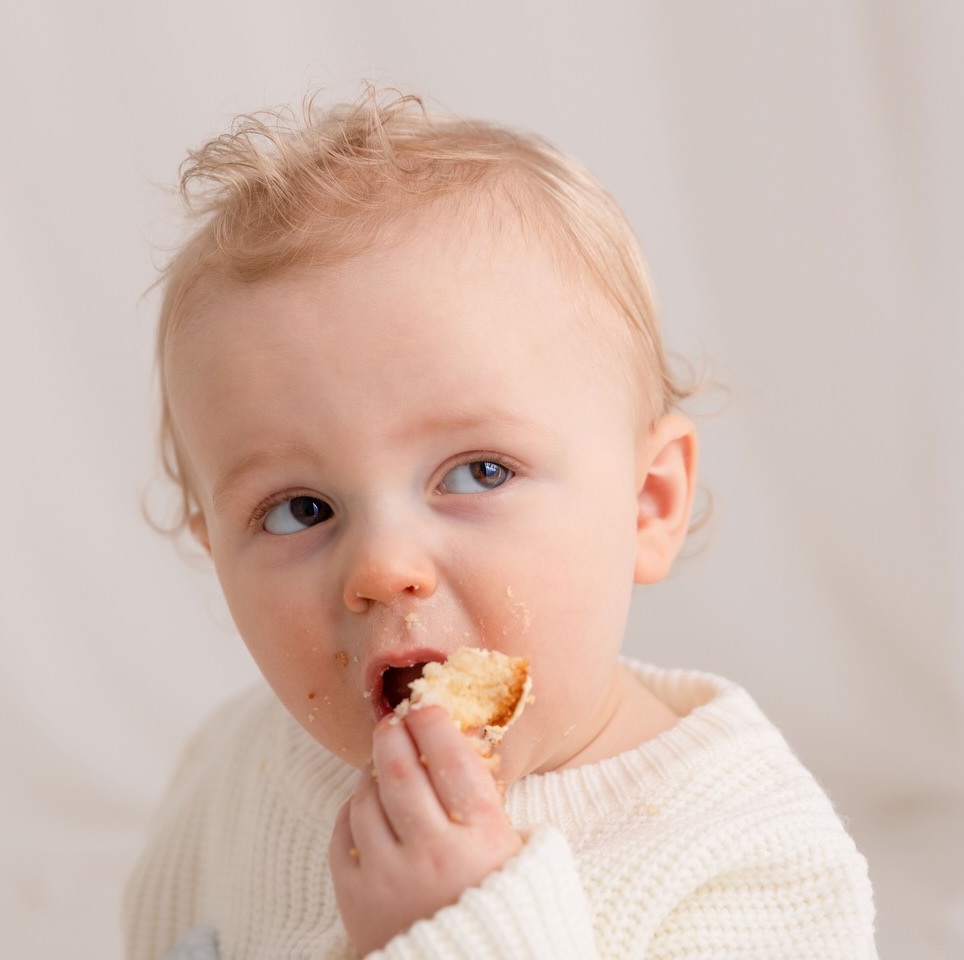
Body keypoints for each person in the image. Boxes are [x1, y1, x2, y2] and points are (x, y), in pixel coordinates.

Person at [125, 88, 876, 959]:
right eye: (301, 510)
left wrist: (460, 931)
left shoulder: (748, 862)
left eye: (478, 473)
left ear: (646, 504)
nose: (382, 567)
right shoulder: (245, 766)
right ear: (215, 552)